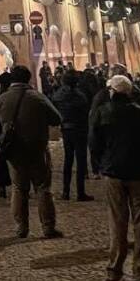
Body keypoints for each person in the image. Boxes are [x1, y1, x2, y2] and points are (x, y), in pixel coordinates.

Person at [90, 75, 140, 281]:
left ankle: (115, 269)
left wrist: (101, 165)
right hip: (138, 173)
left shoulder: (102, 112)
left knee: (117, 222)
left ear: (112, 91)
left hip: (113, 173)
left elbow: (94, 143)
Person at [0, 66, 64, 239]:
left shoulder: (2, 99)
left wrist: (4, 137)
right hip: (37, 148)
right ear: (29, 79)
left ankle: (21, 227)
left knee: (18, 188)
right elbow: (57, 118)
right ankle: (48, 227)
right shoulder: (37, 97)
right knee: (43, 188)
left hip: (15, 151)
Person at [51, 71, 93, 202]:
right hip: (79, 129)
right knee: (80, 161)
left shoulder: (58, 96)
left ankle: (66, 191)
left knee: (68, 160)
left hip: (66, 129)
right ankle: (80, 192)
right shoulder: (80, 96)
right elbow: (85, 111)